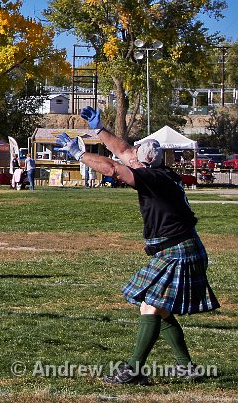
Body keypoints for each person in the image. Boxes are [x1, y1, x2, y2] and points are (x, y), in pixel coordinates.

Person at [55, 107, 219, 385]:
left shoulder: (151, 180)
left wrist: (79, 155)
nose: (132, 155)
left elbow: (113, 167)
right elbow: (124, 153)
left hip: (178, 251)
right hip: (180, 247)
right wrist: (100, 130)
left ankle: (133, 370)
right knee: (159, 309)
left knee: (151, 306)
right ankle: (186, 368)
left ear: (142, 164)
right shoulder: (161, 172)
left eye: (136, 156)